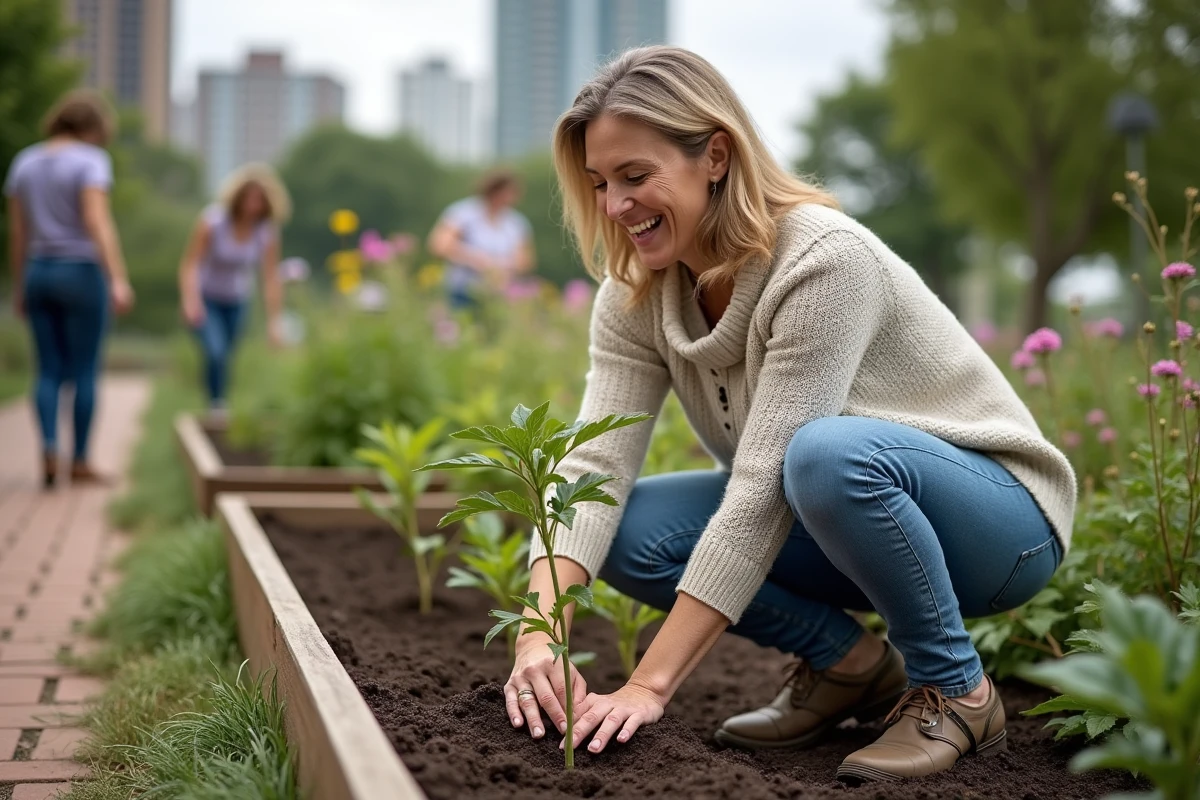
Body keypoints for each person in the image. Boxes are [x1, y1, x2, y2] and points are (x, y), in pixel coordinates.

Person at [503, 46, 1075, 783]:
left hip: (999, 524)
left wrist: (648, 686)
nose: (615, 206)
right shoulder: (637, 294)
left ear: (714, 155)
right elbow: (593, 467)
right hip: (840, 513)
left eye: (635, 177)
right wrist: (537, 637)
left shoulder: (822, 261)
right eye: (600, 183)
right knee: (631, 530)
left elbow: (764, 487)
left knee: (824, 454)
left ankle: (954, 689)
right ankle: (849, 666)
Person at [4, 90, 135, 488]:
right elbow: (97, 222)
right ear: (93, 128)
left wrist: (20, 284)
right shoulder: (91, 160)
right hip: (80, 271)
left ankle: (47, 446)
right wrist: (117, 277)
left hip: (39, 271)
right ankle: (78, 460)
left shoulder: (24, 162)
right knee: (84, 369)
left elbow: (19, 231)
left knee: (47, 370)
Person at [178, 163, 289, 413]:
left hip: (237, 299)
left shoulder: (265, 231)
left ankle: (219, 402)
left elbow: (270, 277)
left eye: (259, 200)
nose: (253, 205)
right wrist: (190, 300)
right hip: (206, 296)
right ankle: (216, 405)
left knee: (226, 356)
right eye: (249, 198)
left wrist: (275, 321)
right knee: (215, 351)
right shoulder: (213, 221)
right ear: (237, 198)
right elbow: (190, 264)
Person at [427, 170, 535, 310]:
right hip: (462, 291)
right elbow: (439, 246)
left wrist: (501, 266)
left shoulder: (516, 222)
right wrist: (476, 259)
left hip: (498, 294)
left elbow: (526, 261)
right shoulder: (463, 213)